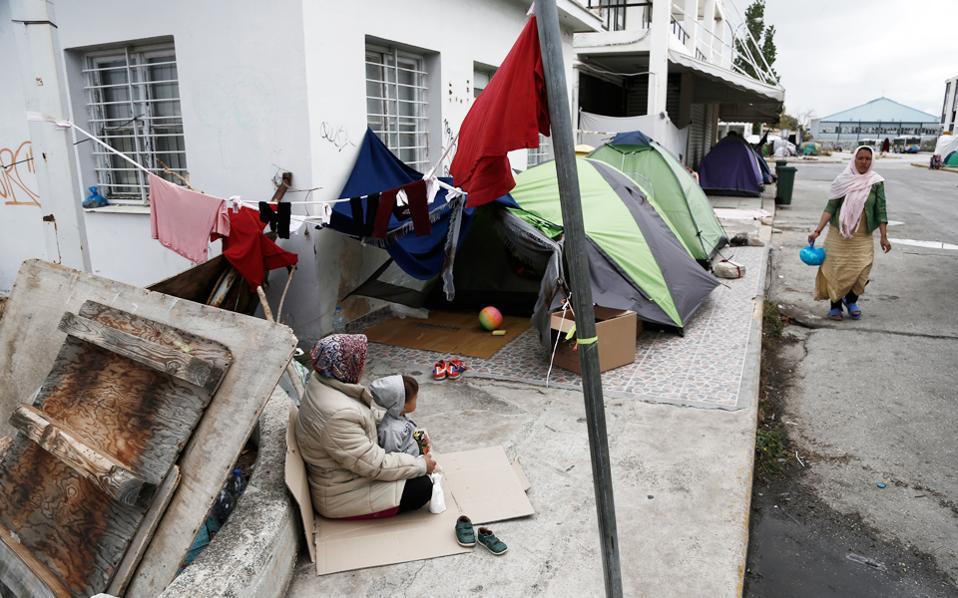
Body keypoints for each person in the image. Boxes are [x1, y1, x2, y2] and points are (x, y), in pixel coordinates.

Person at [294, 334, 437, 520]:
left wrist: (392, 420)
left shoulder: (325, 379)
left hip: (347, 472)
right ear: (346, 365)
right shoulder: (338, 415)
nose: (362, 366)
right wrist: (420, 465)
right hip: (342, 492)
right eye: (359, 361)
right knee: (423, 487)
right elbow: (374, 465)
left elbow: (362, 418)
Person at [807, 146, 891, 321]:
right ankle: (835, 306)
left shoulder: (876, 182)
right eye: (860, 158)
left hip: (862, 237)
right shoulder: (843, 180)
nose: (864, 162)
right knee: (836, 271)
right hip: (839, 234)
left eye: (868, 159)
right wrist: (817, 231)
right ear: (854, 159)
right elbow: (830, 208)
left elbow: (881, 211)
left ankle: (851, 299)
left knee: (862, 271)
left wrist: (884, 236)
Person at [370, 374, 423, 457]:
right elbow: (394, 459)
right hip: (412, 465)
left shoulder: (401, 416)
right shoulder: (391, 431)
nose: (417, 399)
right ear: (402, 404)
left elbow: (410, 432)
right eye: (415, 398)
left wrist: (420, 442)